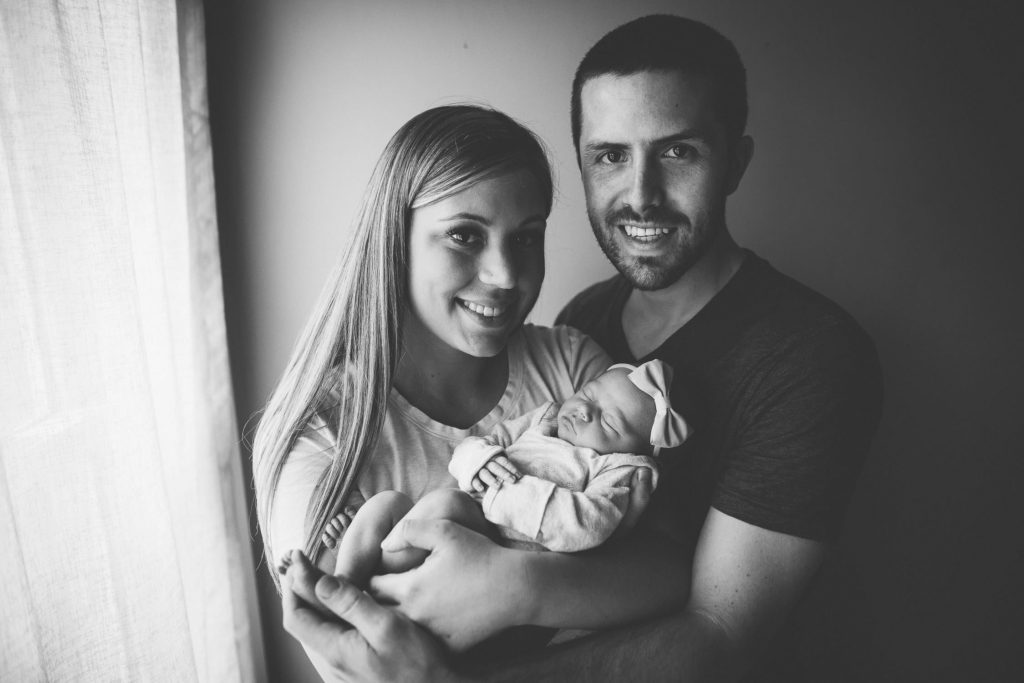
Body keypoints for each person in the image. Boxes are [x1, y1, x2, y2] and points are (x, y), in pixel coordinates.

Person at [281, 14, 883, 682]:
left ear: (735, 163)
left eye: (679, 151)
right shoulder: (582, 323)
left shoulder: (808, 355)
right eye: (610, 156)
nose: (642, 194)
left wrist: (504, 599)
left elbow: (720, 634)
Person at [257, 103, 682, 675]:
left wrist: (516, 585)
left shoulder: (570, 361)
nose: (505, 276)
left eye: (527, 238)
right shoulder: (323, 432)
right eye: (464, 235)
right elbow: (360, 664)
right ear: (395, 239)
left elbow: (670, 572)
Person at [301, 359, 689, 597]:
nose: (585, 411)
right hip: (461, 516)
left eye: (607, 421)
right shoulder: (545, 419)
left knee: (445, 503)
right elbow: (478, 445)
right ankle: (349, 578)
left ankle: (372, 580)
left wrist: (504, 490)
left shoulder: (616, 472)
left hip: (501, 549)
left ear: (631, 451)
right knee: (385, 502)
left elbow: (588, 524)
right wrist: (480, 462)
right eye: (588, 394)